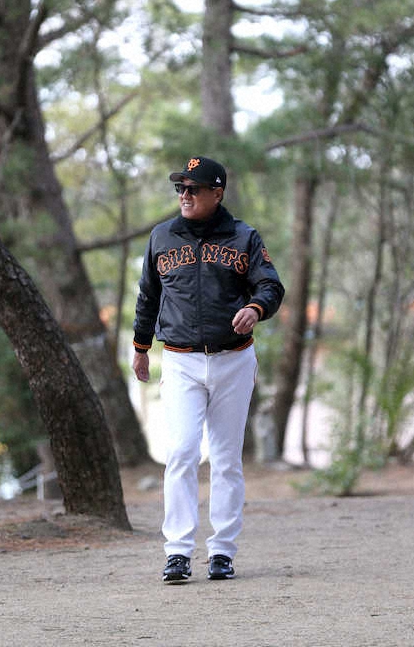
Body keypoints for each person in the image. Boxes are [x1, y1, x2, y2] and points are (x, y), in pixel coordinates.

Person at [132, 155, 284, 583]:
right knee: (180, 452)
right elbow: (148, 295)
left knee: (225, 458)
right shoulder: (162, 237)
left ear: (216, 193)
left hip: (233, 359)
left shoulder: (243, 237)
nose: (184, 194)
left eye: (193, 188)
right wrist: (141, 347)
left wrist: (256, 308)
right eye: (180, 187)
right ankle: (178, 552)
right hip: (180, 360)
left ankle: (222, 550)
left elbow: (271, 284)